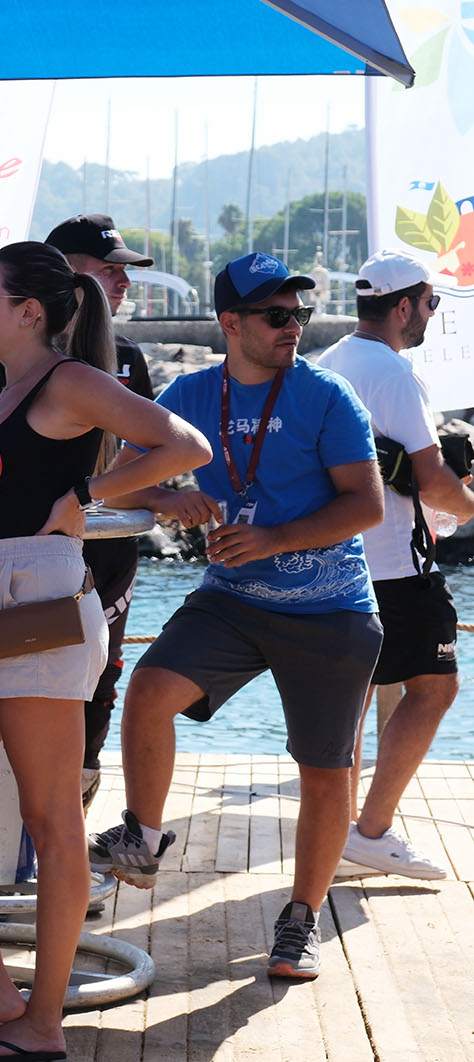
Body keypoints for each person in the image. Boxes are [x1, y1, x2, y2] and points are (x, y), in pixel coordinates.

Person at [0, 242, 209, 1060]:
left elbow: (186, 446)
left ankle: (43, 1020)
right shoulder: (1, 385)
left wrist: (85, 496)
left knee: (53, 821)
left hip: (37, 598)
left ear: (29, 311)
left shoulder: (66, 382)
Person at [90, 252, 382, 980]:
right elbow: (112, 487)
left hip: (330, 608)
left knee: (325, 770)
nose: (294, 327)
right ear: (230, 323)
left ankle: (301, 919)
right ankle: (143, 842)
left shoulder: (327, 395)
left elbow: (367, 506)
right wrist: (168, 497)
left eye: (300, 314)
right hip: (232, 600)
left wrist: (276, 538)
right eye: (276, 315)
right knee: (149, 689)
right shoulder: (192, 393)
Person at [314, 248, 474, 880]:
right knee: (435, 686)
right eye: (431, 302)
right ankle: (371, 831)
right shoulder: (395, 375)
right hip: (396, 567)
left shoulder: (328, 362)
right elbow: (433, 482)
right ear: (404, 306)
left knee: (348, 705)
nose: (432, 313)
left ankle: (338, 835)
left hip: (335, 559)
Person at [42, 214, 158, 808]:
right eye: (110, 271)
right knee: (22, 680)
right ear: (66, 274)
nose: (124, 283)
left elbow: (152, 458)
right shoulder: (11, 357)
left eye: (124, 273)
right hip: (37, 550)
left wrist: (155, 495)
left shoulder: (128, 358)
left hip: (111, 552)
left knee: (101, 679)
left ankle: (73, 818)